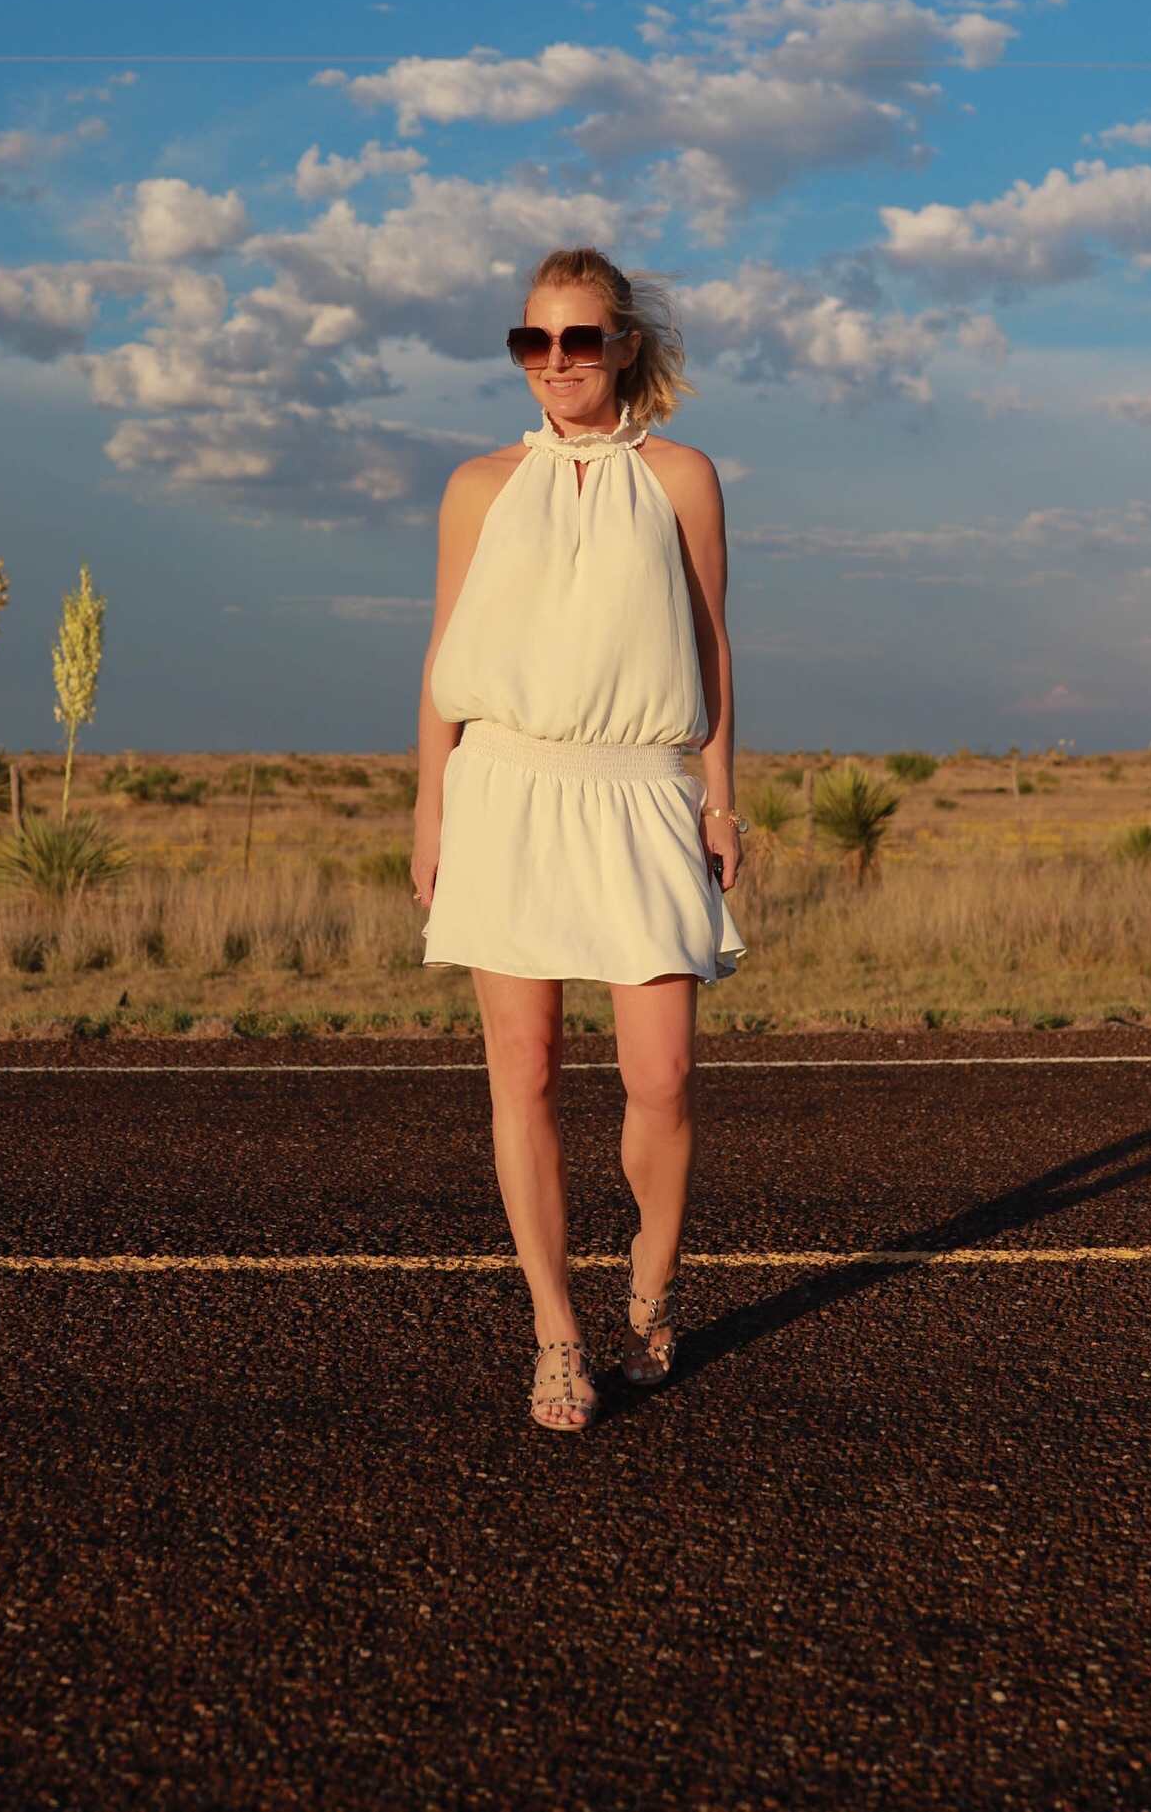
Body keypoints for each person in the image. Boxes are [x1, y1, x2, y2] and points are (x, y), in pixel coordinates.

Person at [411, 246, 745, 1433]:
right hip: (506, 787)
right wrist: (430, 807)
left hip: (644, 790)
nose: (555, 363)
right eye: (533, 342)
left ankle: (652, 1273)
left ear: (625, 347)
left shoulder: (684, 477)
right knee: (527, 1071)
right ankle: (556, 1333)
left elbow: (710, 650)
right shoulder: (476, 485)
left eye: (579, 339)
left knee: (660, 1074)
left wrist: (719, 798)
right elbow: (444, 659)